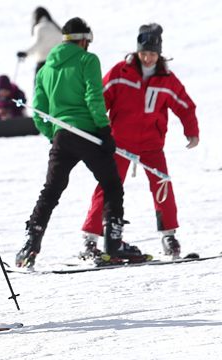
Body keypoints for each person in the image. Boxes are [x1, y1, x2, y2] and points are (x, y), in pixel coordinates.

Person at [15, 17, 145, 268]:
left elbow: (40, 111)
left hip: (62, 136)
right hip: (88, 132)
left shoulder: (45, 69)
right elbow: (93, 96)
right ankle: (114, 244)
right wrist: (104, 130)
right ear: (84, 40)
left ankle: (31, 243)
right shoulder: (88, 60)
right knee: (111, 184)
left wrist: (52, 134)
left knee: (51, 191)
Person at [79, 23, 199, 260]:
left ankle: (168, 235)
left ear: (159, 54)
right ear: (137, 51)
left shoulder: (166, 79)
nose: (147, 58)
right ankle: (90, 239)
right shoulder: (120, 73)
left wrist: (191, 130)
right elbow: (98, 100)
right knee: (107, 187)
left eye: (152, 54)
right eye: (144, 53)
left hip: (151, 145)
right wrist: (94, 127)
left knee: (162, 184)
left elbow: (185, 105)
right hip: (120, 144)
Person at [17, 7, 62, 78]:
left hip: (43, 65)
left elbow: (37, 45)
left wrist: (25, 53)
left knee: (40, 88)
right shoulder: (56, 28)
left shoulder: (39, 28)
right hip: (58, 64)